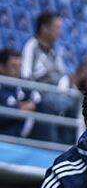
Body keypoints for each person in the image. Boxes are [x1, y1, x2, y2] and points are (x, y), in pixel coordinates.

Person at [21, 9, 76, 142]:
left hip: (57, 94)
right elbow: (25, 75)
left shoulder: (54, 51)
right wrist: (36, 97)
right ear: (45, 28)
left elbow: (62, 75)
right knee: (51, 104)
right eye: (57, 27)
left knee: (74, 103)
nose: (60, 32)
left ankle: (68, 148)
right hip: (41, 96)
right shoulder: (31, 47)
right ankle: (52, 146)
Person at [0, 46, 40, 137]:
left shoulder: (25, 84)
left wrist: (19, 107)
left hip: (26, 141)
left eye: (20, 66)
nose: (17, 70)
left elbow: (36, 101)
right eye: (13, 66)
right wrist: (18, 108)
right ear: (1, 67)